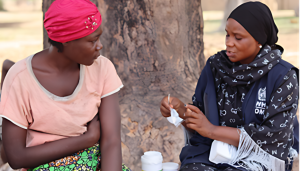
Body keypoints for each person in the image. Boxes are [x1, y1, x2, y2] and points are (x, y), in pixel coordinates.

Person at [160, 2, 299, 171]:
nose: (229, 43)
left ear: (259, 40)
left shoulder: (282, 76)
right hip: (211, 150)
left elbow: (272, 137)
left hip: (258, 157)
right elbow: (200, 121)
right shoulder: (215, 66)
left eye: (237, 37)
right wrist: (179, 109)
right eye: (227, 35)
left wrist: (211, 130)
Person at [0, 0, 130, 171]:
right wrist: (87, 139)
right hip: (43, 165)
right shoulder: (20, 78)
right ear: (67, 40)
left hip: (93, 160)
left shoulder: (102, 69)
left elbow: (111, 141)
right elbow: (17, 157)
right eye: (93, 40)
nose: (100, 46)